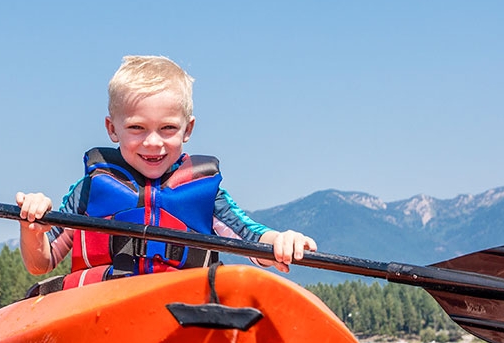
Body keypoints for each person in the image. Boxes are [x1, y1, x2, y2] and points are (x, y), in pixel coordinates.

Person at [16, 55, 316, 291]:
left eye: (168, 128)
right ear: (112, 129)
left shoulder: (204, 192)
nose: (153, 142)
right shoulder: (90, 190)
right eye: (137, 128)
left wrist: (279, 240)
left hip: (181, 312)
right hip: (100, 311)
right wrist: (33, 229)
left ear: (188, 129)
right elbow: (42, 263)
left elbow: (251, 238)